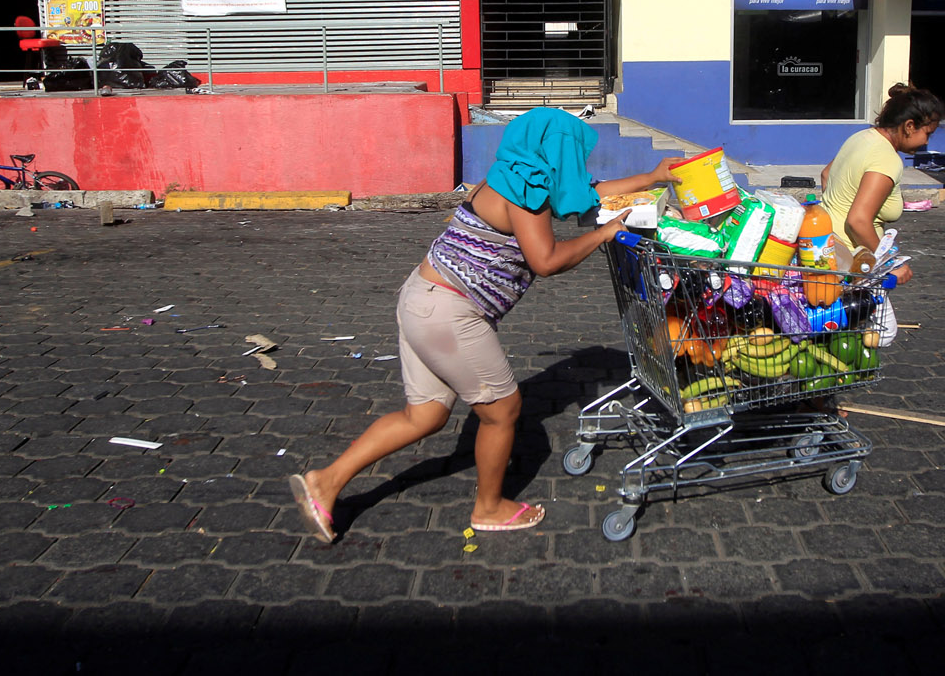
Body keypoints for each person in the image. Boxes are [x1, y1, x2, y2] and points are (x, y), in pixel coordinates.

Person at [290, 108, 680, 541]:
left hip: (422, 298)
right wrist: (603, 236)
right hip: (449, 312)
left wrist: (651, 177)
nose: (578, 161)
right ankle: (490, 508)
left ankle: (324, 482)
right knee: (503, 411)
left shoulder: (511, 174)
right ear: (557, 150)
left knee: (423, 416)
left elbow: (588, 193)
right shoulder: (527, 189)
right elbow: (546, 261)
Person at [819, 83, 944, 258]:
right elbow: (858, 221)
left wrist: (837, 212)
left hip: (824, 245)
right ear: (909, 126)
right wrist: (886, 261)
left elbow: (826, 174)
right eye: (927, 134)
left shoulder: (861, 137)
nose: (926, 142)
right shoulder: (886, 158)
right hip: (850, 259)